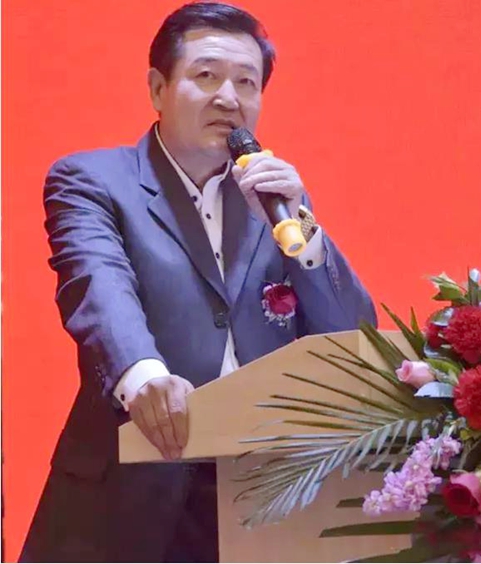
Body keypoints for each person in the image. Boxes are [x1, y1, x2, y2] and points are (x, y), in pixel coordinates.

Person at [20, 2, 377, 562]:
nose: (229, 98)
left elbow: (351, 335)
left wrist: (304, 232)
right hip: (132, 485)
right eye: (206, 76)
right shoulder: (92, 180)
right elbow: (98, 288)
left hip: (264, 495)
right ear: (158, 88)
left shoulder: (274, 200)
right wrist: (145, 377)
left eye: (247, 82)